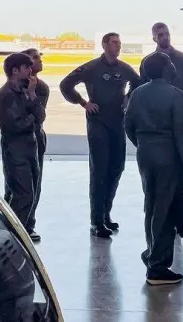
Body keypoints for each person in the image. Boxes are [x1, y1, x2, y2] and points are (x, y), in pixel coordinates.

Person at [124, 52, 183, 286]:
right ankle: (158, 266)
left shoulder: (137, 94)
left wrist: (145, 145)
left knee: (152, 204)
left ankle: (151, 253)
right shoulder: (177, 96)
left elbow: (129, 126)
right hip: (169, 156)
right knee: (166, 208)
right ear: (166, 69)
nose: (173, 65)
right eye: (170, 63)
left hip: (145, 154)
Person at [60, 32, 143, 238]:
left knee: (116, 168)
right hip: (98, 123)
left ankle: (106, 213)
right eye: (114, 43)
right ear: (104, 44)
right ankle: (96, 220)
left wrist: (127, 98)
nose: (118, 46)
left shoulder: (124, 68)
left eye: (120, 43)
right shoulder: (91, 68)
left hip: (117, 122)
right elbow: (66, 85)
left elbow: (138, 83)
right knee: (99, 171)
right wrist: (83, 103)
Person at [0, 53, 45, 240]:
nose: (30, 71)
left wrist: (31, 95)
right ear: (15, 71)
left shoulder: (25, 91)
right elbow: (16, 125)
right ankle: (14, 236)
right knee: (22, 195)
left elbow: (41, 116)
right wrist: (32, 117)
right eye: (26, 68)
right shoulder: (4, 96)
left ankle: (19, 233)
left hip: (30, 149)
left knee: (31, 193)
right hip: (16, 151)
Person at [21, 48, 49, 241]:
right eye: (35, 58)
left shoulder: (42, 88)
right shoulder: (13, 87)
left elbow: (38, 116)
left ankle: (29, 223)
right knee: (17, 183)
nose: (40, 61)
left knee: (35, 183)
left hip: (36, 136)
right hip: (19, 139)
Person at [139, 22, 183, 98]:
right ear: (154, 39)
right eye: (161, 35)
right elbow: (143, 86)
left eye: (167, 34)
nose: (165, 37)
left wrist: (181, 103)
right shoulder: (147, 62)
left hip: (178, 106)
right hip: (154, 106)